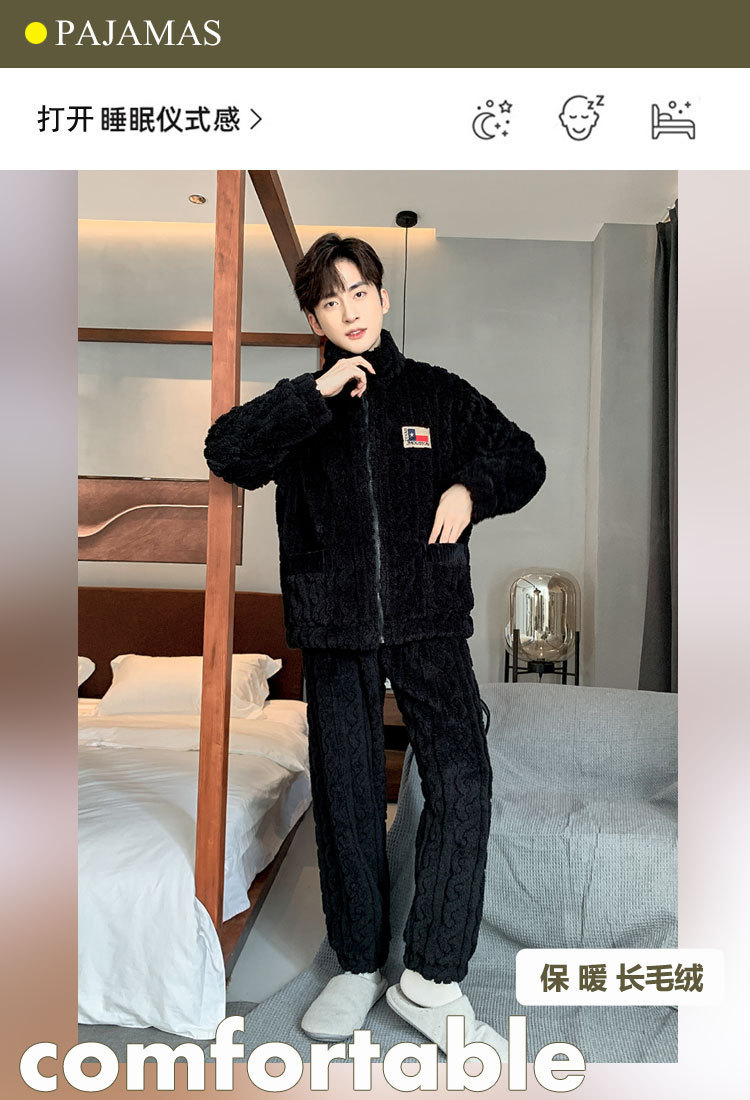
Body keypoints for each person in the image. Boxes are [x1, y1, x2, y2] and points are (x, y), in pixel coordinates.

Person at [204, 233, 546, 1052]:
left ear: (383, 298)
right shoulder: (303, 406)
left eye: (359, 292)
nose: (348, 310)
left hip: (431, 619)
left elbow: (523, 459)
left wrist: (470, 487)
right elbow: (227, 452)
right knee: (348, 794)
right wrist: (313, 393)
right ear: (314, 318)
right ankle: (357, 964)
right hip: (334, 623)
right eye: (329, 300)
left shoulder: (437, 393)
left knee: (462, 781)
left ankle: (431, 978)